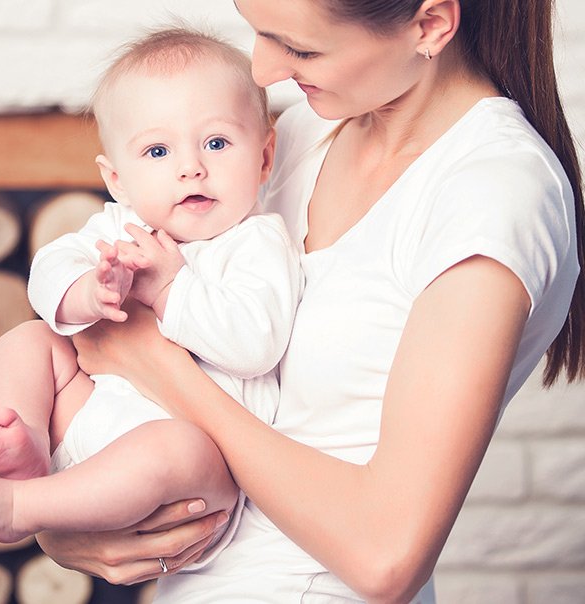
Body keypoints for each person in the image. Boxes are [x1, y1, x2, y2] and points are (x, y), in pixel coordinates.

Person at [34, 0, 585, 602]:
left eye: (299, 48)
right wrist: (66, 516)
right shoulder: (293, 134)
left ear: (428, 26)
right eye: (258, 32)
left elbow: (387, 559)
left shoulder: (492, 194)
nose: (263, 69)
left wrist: (157, 367)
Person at [0, 27, 302, 559]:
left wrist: (172, 288)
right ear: (118, 180)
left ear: (264, 158)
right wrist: (88, 293)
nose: (191, 167)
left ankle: (20, 507)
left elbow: (255, 345)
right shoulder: (120, 227)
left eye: (217, 143)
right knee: (27, 340)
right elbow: (47, 271)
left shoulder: (257, 243)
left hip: (191, 465)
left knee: (174, 449)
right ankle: (28, 439)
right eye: (157, 150)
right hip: (89, 418)